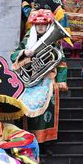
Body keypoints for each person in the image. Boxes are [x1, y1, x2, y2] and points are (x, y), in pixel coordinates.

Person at [11, 9, 68, 147]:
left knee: (47, 111)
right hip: (30, 80)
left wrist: (61, 80)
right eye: (37, 24)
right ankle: (28, 139)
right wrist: (24, 52)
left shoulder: (55, 43)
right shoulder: (27, 39)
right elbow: (13, 56)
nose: (40, 26)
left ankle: (46, 143)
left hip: (47, 79)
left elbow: (61, 61)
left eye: (43, 24)